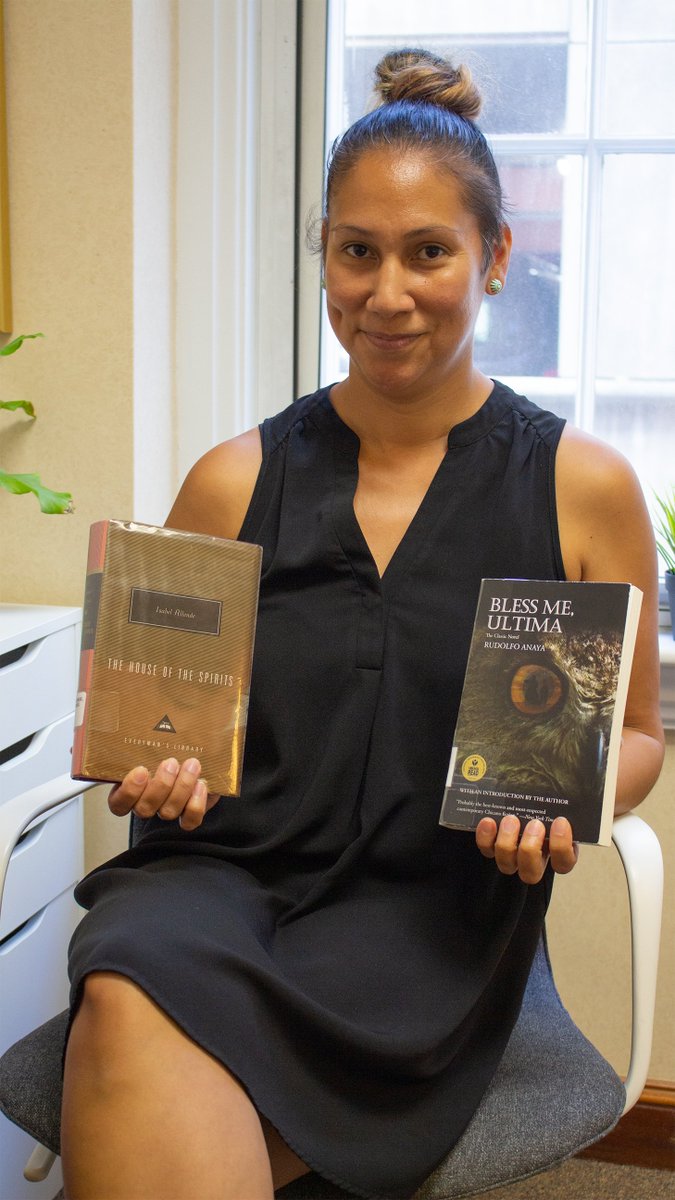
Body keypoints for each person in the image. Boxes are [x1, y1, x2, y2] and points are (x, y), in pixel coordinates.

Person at [60, 48, 664, 1200]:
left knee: (142, 1092)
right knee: (131, 984)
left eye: (429, 252)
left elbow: (636, 731)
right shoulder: (232, 480)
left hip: (429, 910)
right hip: (218, 882)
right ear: (325, 260)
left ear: (493, 258)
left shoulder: (581, 488)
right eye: (357, 252)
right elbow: (156, 728)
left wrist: (568, 800)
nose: (387, 294)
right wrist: (156, 772)